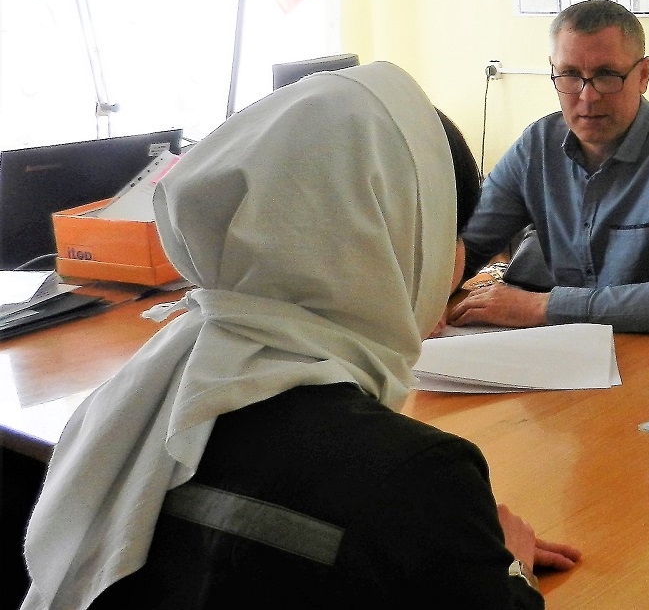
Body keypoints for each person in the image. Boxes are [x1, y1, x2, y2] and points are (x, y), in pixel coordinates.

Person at [21, 63, 579, 610]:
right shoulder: (421, 476)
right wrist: (508, 561)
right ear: (412, 245)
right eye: (446, 233)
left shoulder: (127, 407)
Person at [451, 0, 649, 338]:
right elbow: (465, 246)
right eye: (570, 75)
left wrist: (541, 307)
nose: (587, 97)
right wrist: (429, 301)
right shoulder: (537, 146)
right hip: (575, 351)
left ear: (642, 75)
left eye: (606, 75)